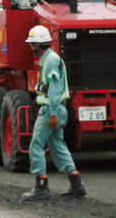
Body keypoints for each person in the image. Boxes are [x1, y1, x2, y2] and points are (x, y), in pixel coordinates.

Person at [21, 25, 86, 201]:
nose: (30, 46)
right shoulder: (50, 59)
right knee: (57, 146)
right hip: (57, 108)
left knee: (36, 145)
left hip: (51, 109)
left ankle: (41, 187)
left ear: (36, 44)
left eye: (31, 43)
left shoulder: (50, 60)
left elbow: (55, 89)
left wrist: (53, 113)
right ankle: (76, 184)